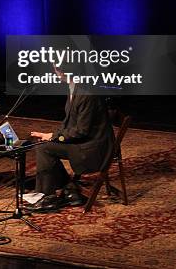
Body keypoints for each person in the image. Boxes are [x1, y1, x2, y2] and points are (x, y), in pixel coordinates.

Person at [29, 76, 114, 210]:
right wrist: (54, 137)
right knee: (44, 145)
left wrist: (54, 137)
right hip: (83, 142)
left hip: (92, 148)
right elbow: (68, 121)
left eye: (56, 68)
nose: (55, 72)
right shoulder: (75, 87)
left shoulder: (86, 93)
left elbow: (81, 131)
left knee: (44, 148)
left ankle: (47, 197)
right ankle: (69, 189)